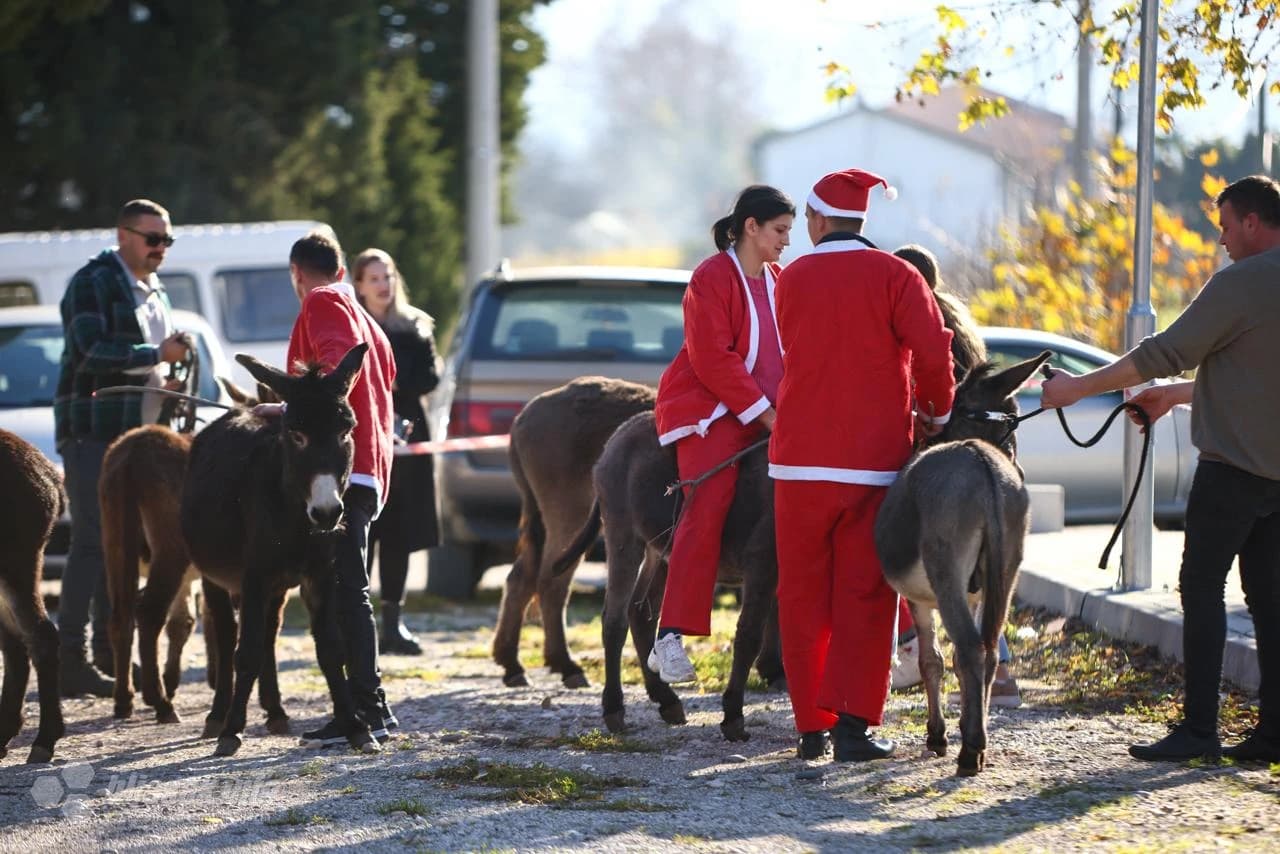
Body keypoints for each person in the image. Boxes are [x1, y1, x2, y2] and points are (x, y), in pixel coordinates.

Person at [1041, 174, 1280, 764]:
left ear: (1253, 222)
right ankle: (1274, 733)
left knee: (1201, 591)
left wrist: (1078, 388)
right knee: (1271, 602)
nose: (1222, 240)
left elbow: (1161, 351)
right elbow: (1252, 376)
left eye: (1225, 226)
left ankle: (1200, 730)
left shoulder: (1242, 282)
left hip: (1231, 474)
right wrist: (1174, 396)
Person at [770, 169, 955, 762]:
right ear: (860, 221)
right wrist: (935, 415)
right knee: (865, 595)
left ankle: (809, 729)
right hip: (873, 466)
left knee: (801, 594)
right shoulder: (898, 276)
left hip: (797, 464)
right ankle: (853, 729)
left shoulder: (791, 278)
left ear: (818, 220)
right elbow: (933, 352)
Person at [255, 228, 398, 749]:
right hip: (366, 468)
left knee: (346, 592)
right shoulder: (361, 311)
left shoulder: (320, 302)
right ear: (342, 269)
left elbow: (337, 373)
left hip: (336, 473)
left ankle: (367, 707)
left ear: (297, 273)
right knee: (349, 590)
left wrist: (295, 411)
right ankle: (370, 705)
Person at [647, 185, 795, 684]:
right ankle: (668, 638)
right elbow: (712, 358)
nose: (786, 242)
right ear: (750, 227)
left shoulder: (781, 279)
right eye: (779, 231)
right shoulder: (711, 276)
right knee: (706, 501)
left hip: (773, 412)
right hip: (709, 411)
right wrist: (767, 415)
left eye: (790, 232)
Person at [54, 198, 190, 698]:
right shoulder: (92, 282)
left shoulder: (154, 289)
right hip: (95, 434)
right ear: (123, 235)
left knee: (121, 547)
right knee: (94, 541)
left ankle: (110, 655)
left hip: (139, 440)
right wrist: (157, 355)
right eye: (153, 239)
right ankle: (70, 657)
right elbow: (89, 352)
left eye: (166, 240)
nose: (161, 248)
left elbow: (147, 368)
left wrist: (167, 382)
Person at [887, 244, 1021, 709]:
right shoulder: (960, 322)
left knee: (893, 535)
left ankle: (910, 647)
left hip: (936, 442)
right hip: (991, 456)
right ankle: (1001, 671)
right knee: (991, 565)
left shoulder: (914, 319)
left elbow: (925, 387)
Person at [351, 248, 441, 655]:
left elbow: (429, 377)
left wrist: (392, 379)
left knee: (400, 533)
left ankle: (393, 625)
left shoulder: (416, 324)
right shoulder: (353, 325)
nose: (383, 285)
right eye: (374, 278)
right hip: (366, 434)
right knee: (365, 527)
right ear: (358, 285)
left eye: (387, 276)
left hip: (408, 434)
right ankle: (359, 622)